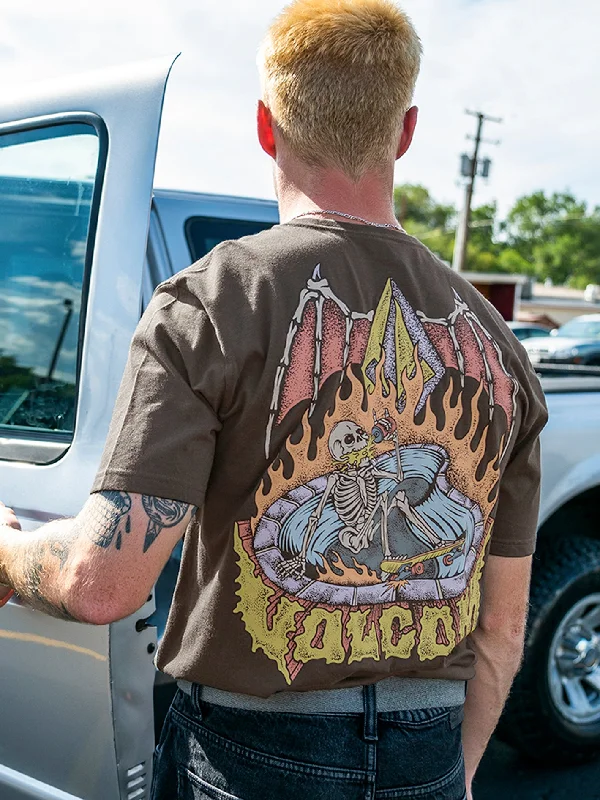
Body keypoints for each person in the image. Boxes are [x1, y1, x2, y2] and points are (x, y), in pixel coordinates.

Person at [0, 1, 548, 798]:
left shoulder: (212, 300)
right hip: (426, 751)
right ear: (406, 131)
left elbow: (103, 582)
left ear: (266, 125)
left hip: (249, 757)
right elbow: (501, 626)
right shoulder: (499, 348)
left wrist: (9, 552)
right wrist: (451, 777)